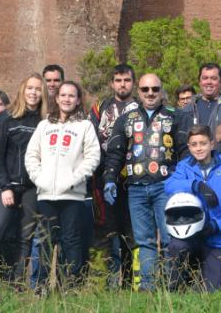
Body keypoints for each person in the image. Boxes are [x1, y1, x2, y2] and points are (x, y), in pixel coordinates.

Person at [102, 73, 181, 291]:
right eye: (145, 89)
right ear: (139, 92)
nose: (150, 94)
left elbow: (184, 151)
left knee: (168, 238)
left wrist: (180, 180)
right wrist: (109, 178)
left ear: (161, 90)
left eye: (155, 89)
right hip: (135, 188)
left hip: (165, 187)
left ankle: (170, 285)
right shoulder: (126, 118)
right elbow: (115, 153)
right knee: (144, 240)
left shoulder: (174, 115)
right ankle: (148, 286)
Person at [26, 81, 101, 291]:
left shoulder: (85, 126)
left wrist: (73, 180)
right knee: (46, 244)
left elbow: (92, 157)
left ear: (78, 100)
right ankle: (41, 288)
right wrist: (40, 179)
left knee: (71, 242)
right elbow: (31, 155)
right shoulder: (44, 126)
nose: (67, 99)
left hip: (72, 196)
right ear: (56, 98)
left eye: (72, 96)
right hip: (46, 195)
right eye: (63, 95)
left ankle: (69, 288)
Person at [163, 125, 221, 291]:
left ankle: (205, 281)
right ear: (189, 146)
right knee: (176, 247)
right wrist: (195, 184)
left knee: (212, 291)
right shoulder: (185, 166)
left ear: (212, 144)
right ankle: (174, 289)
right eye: (194, 144)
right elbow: (169, 185)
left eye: (203, 143)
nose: (198, 148)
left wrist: (216, 225)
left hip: (217, 236)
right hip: (188, 233)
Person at [0, 75, 45, 285]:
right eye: (30, 88)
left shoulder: (45, 121)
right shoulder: (7, 117)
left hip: (32, 187)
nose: (33, 93)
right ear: (22, 89)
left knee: (25, 237)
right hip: (7, 185)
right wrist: (5, 187)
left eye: (38, 89)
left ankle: (16, 284)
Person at [90, 63, 139, 288]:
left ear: (133, 83)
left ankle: (131, 284)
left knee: (131, 233)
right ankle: (105, 286)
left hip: (132, 180)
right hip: (103, 180)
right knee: (105, 232)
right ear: (112, 83)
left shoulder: (140, 108)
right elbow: (90, 139)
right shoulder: (101, 107)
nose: (122, 84)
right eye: (118, 80)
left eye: (126, 80)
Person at [177, 63, 221, 156]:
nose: (209, 82)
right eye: (205, 78)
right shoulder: (188, 108)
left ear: (220, 82)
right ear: (199, 81)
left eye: (213, 78)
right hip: (192, 166)